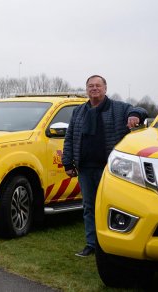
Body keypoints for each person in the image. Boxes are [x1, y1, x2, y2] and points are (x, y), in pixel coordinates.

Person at [62, 75, 147, 257]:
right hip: (85, 169)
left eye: (98, 86)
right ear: (87, 90)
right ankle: (91, 244)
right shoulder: (78, 112)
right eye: (90, 86)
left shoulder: (119, 108)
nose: (94, 89)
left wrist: (134, 115)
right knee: (89, 207)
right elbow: (69, 138)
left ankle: (114, 245)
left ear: (105, 88)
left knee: (113, 207)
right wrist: (68, 163)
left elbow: (139, 109)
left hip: (111, 170)